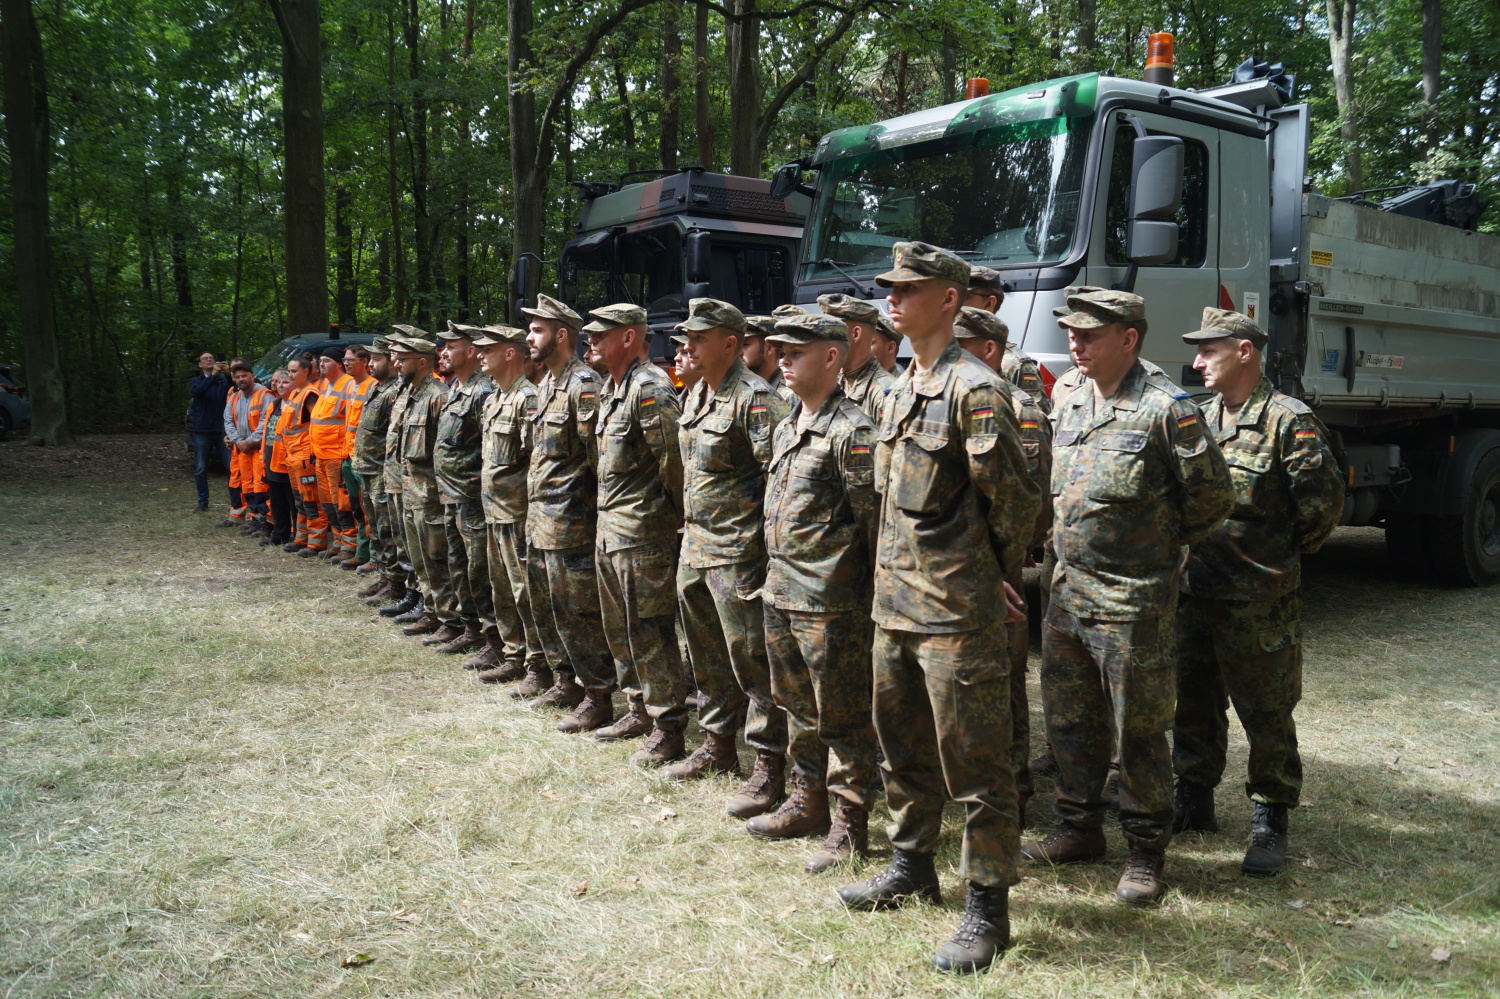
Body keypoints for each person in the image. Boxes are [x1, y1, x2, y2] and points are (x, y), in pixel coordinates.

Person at [835, 242, 1038, 976]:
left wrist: (993, 574)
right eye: (890, 287)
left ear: (949, 298)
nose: (894, 297)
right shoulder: (892, 389)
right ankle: (911, 864)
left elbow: (1013, 500)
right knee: (903, 749)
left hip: (956, 611)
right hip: (894, 606)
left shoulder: (975, 389)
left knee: (979, 768)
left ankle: (988, 908)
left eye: (909, 287)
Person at [1022, 288, 1233, 907]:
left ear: (1129, 339)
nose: (1074, 344)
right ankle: (1079, 828)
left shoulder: (1169, 408)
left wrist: (1159, 546)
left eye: (1089, 335)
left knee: (1139, 732)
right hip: (1065, 594)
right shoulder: (1067, 395)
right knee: (1069, 722)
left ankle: (1145, 851)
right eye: (1072, 333)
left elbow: (1213, 499)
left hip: (1133, 602)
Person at [1172, 308, 1343, 876]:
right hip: (1196, 591)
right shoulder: (1197, 417)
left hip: (1258, 597)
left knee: (1266, 710)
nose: (1197, 362)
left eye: (1209, 352)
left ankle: (1271, 816)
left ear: (1244, 351)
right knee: (1192, 699)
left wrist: (1273, 562)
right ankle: (1193, 796)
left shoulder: (1288, 420)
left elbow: (1320, 508)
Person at [748, 312, 881, 874]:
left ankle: (850, 824)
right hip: (782, 591)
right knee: (795, 704)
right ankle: (808, 802)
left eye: (796, 351)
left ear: (832, 357)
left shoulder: (854, 432)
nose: (782, 358)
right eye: (780, 349)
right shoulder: (786, 425)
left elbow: (873, 523)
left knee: (843, 716)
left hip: (832, 601)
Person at [670, 297, 791, 816]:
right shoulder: (697, 395)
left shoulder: (756, 399)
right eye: (688, 337)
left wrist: (768, 554)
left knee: (754, 662)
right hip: (696, 548)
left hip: (739, 553)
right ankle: (718, 747)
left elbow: (780, 480)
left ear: (730, 343)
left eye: (699, 337)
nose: (688, 346)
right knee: (707, 657)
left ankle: (769, 767)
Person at [953, 305, 1054, 815]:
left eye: (963, 342)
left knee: (1004, 672)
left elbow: (1029, 496)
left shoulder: (1018, 406)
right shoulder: (949, 397)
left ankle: (1013, 778)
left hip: (998, 564)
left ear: (989, 348)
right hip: (956, 567)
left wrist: (1003, 561)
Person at [583, 303, 689, 749]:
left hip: (643, 530)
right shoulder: (613, 388)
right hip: (611, 528)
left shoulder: (651, 389)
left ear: (628, 337)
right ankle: (638, 710)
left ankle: (668, 726)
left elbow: (674, 463)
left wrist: (668, 518)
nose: (590, 340)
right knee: (620, 628)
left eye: (600, 333)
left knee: (649, 630)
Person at [520, 293, 612, 707]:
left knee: (579, 614)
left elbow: (598, 461)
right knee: (547, 607)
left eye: (537, 329)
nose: (529, 336)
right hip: (539, 519)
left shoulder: (584, 385)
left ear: (561, 335)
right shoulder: (547, 385)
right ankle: (564, 681)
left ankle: (598, 694)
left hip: (572, 522)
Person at [470, 325, 545, 681]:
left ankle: (538, 664)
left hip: (517, 512)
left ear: (511, 353)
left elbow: (536, 461)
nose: (480, 354)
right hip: (494, 510)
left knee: (525, 591)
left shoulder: (527, 399)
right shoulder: (495, 398)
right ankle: (513, 654)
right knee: (501, 589)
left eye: (488, 349)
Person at [426, 323, 494, 655]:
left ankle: (492, 637)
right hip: (451, 495)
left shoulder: (483, 391)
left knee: (478, 569)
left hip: (472, 497)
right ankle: (470, 628)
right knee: (459, 564)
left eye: (451, 346)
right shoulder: (456, 388)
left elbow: (490, 448)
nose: (443, 352)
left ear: (470, 352)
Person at [391, 332, 454, 640]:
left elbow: (443, 452)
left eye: (402, 359)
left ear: (421, 361)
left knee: (436, 561)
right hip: (410, 491)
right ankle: (430, 611)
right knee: (420, 561)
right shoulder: (411, 394)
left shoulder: (437, 396)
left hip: (430, 495)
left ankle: (447, 619)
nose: (396, 363)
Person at [350, 337, 401, 604]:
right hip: (367, 470)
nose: (370, 364)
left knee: (386, 530)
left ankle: (394, 583)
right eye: (369, 359)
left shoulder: (395, 392)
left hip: (382, 471)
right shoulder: (377, 388)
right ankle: (384, 576)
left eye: (377, 359)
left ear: (392, 362)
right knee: (376, 529)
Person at [967, 265, 1048, 413]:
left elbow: (1033, 425)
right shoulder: (941, 353)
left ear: (989, 303)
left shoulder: (1015, 365)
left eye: (965, 297)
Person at [309, 347, 357, 561]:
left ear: (338, 364)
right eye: (320, 361)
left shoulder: (348, 385)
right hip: (321, 454)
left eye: (326, 361)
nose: (321, 365)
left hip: (336, 454)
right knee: (328, 503)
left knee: (342, 503)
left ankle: (349, 545)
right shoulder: (325, 385)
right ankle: (338, 541)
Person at [819, 293, 895, 424]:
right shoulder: (833, 382)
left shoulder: (885, 395)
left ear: (855, 334)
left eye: (832, 332)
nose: (823, 341)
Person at [279, 356, 326, 555]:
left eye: (294, 371)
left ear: (306, 371)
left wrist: (312, 452)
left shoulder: (310, 394)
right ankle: (301, 537)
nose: (290, 375)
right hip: (293, 455)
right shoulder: (296, 394)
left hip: (305, 455)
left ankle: (316, 542)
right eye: (289, 371)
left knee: (311, 499)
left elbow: (316, 424)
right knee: (299, 499)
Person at [338, 344, 378, 570]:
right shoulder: (352, 386)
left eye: (350, 360)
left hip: (364, 458)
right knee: (356, 507)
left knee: (368, 508)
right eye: (345, 360)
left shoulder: (373, 386)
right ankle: (362, 553)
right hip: (349, 456)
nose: (346, 363)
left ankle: (374, 557)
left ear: (364, 361)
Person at [224, 361, 273, 536]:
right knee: (248, 486)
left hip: (259, 449)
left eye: (244, 376)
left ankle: (265, 522)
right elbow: (228, 421)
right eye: (237, 377)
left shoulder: (265, 395)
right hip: (242, 449)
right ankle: (254, 519)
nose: (241, 379)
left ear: (252, 376)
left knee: (262, 486)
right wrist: (238, 441)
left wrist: (249, 441)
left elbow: (265, 424)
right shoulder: (234, 397)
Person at [189, 352, 232, 515]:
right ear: (200, 364)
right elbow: (198, 392)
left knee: (231, 467)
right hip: (202, 431)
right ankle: (202, 503)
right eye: (205, 359)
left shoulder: (223, 381)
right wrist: (212, 375)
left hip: (222, 431)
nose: (209, 360)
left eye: (211, 358)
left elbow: (235, 390)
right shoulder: (196, 380)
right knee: (201, 468)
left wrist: (228, 374)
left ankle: (236, 502)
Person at [260, 368, 296, 547]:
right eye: (279, 382)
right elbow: (267, 434)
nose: (280, 386)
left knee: (294, 503)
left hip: (290, 462)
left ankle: (298, 535)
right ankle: (279, 534)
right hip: (272, 460)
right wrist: (263, 458)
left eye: (285, 382)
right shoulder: (274, 405)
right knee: (277, 502)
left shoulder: (296, 404)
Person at [742, 315, 796, 406]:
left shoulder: (788, 396)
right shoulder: (741, 390)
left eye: (745, 344)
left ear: (769, 348)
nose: (738, 352)